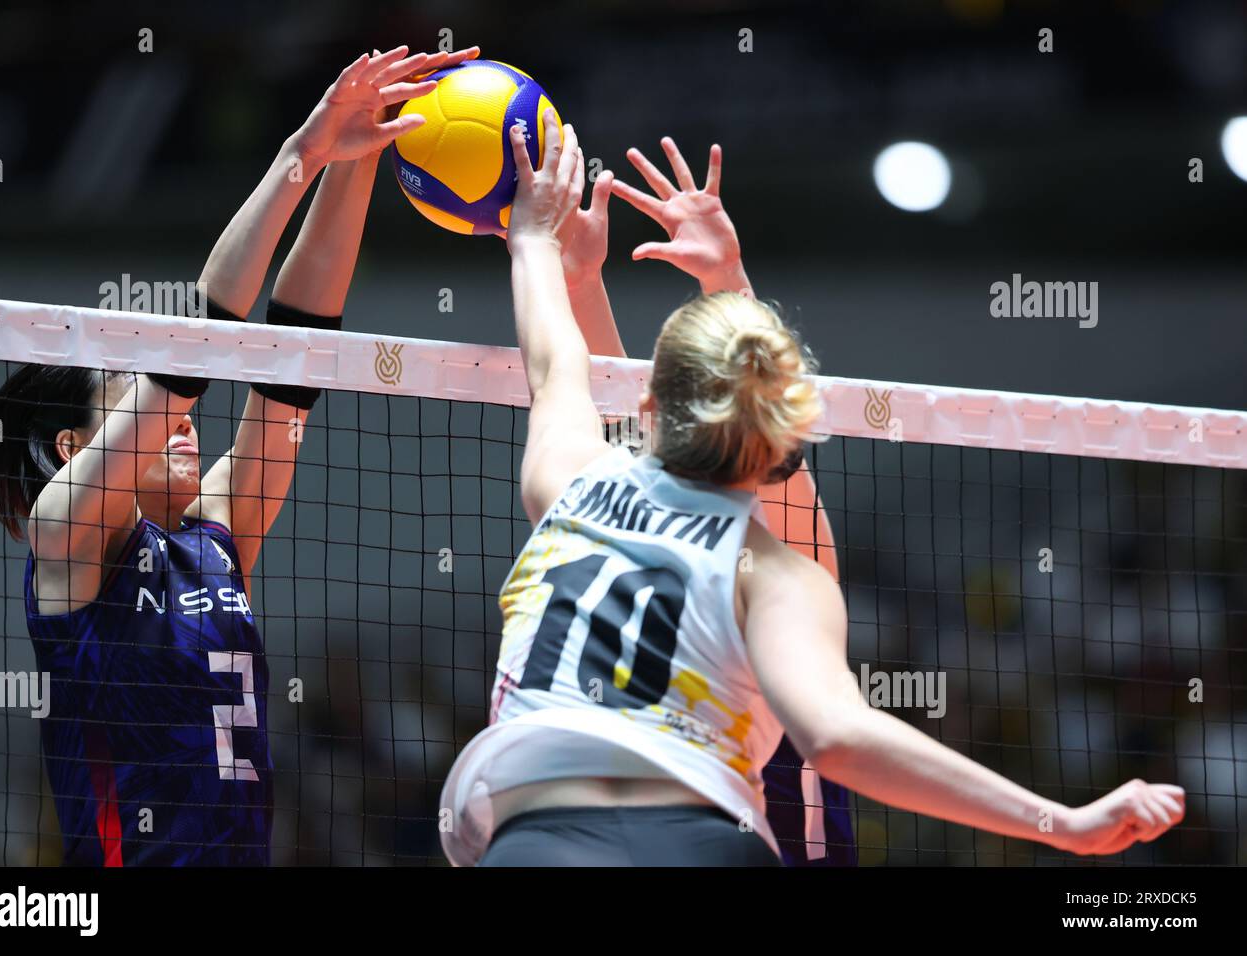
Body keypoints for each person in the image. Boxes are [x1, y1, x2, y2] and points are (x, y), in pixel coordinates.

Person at [439, 110, 1185, 866]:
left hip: (534, 836)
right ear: (783, 438)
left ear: (645, 405)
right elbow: (838, 736)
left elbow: (556, 369)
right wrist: (1065, 821)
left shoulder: (570, 483)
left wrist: (538, 245)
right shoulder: (779, 574)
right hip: (699, 838)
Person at [0, 44, 478, 865]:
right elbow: (191, 354)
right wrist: (297, 156)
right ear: (73, 446)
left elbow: (295, 359)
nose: (183, 424)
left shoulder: (215, 538)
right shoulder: (65, 538)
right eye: (135, 399)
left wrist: (356, 161)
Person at [555, 135, 854, 864]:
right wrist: (579, 281)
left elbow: (755, 422)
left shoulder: (782, 579)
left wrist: (727, 277)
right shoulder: (640, 531)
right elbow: (630, 434)